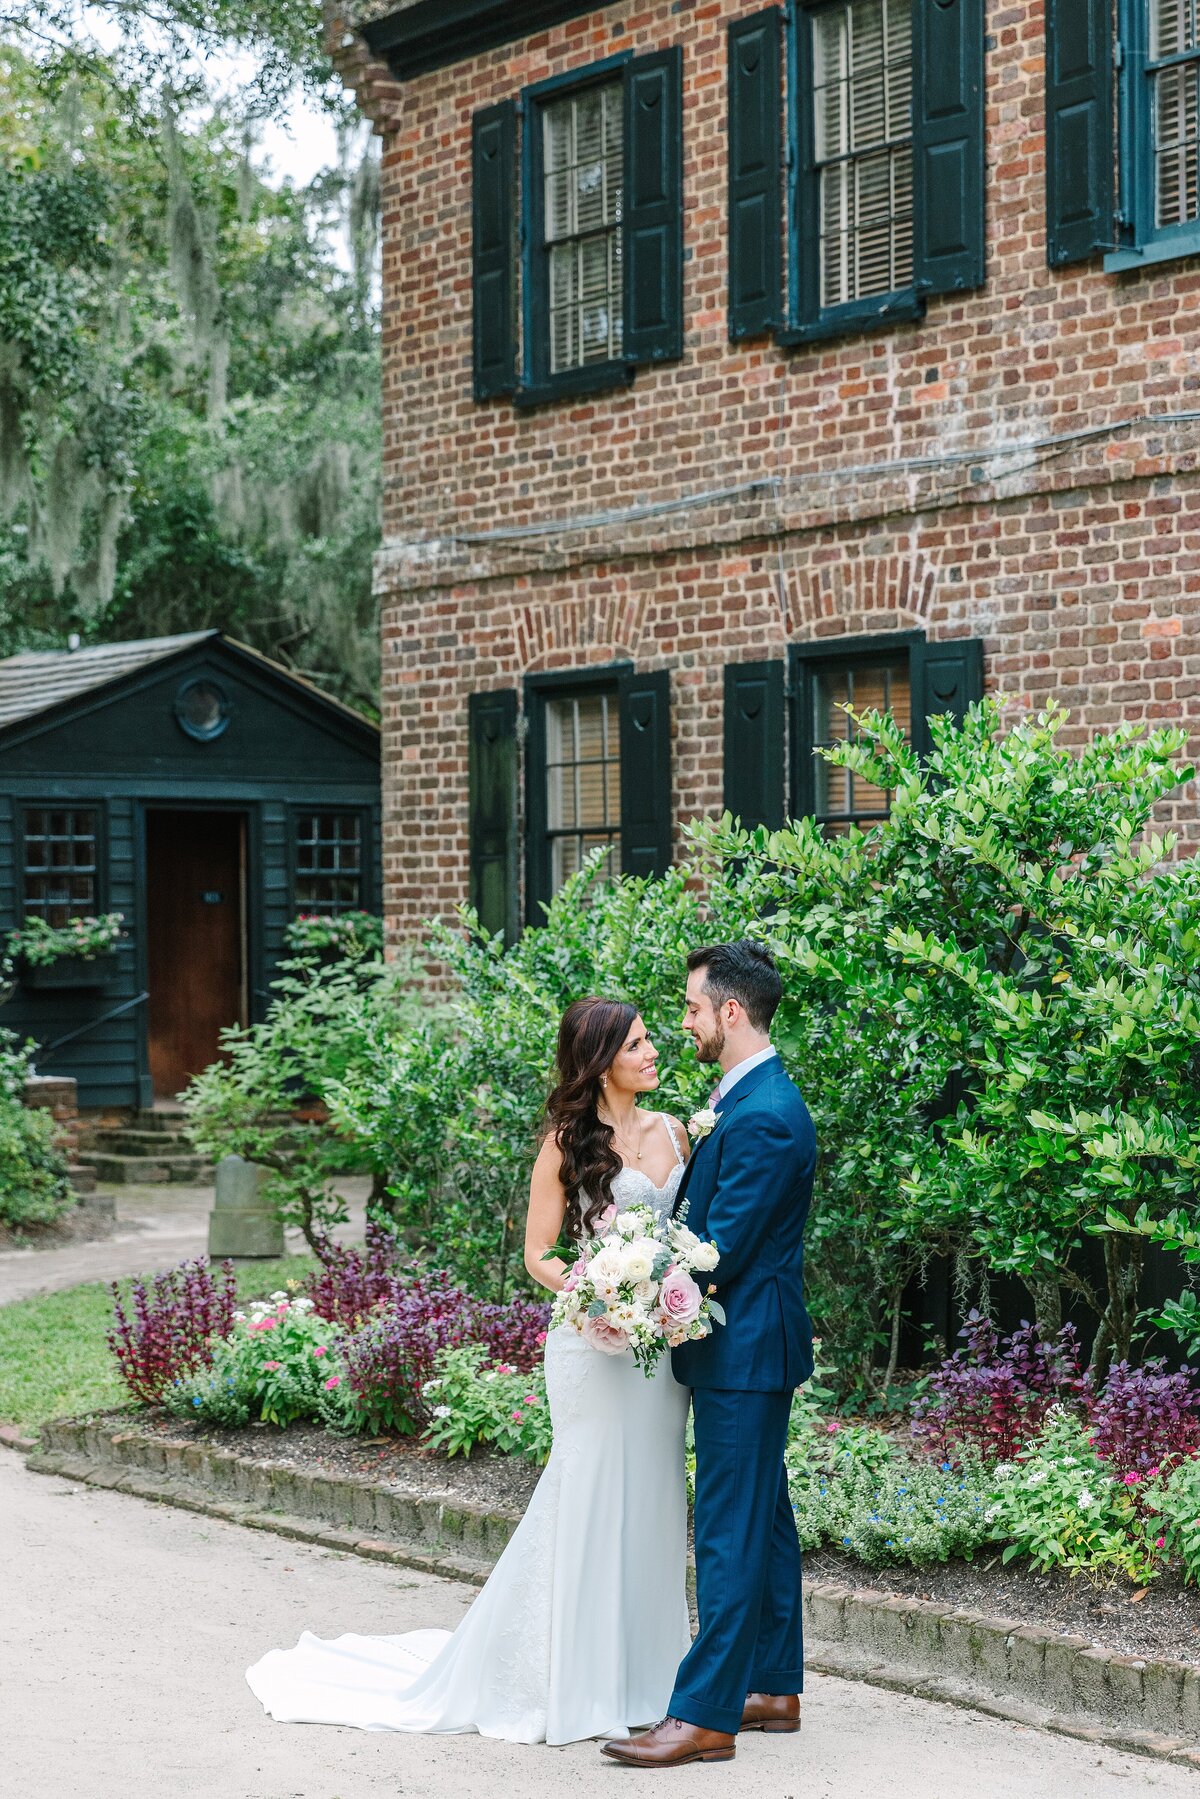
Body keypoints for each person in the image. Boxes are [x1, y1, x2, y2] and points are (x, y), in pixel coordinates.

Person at [245, 995, 693, 1745]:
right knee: (586, 1493)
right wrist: (599, 1294)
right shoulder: (564, 1141)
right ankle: (573, 1680)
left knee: (652, 1498)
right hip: (592, 1344)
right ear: (601, 1060)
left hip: (658, 1356)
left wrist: (661, 1298)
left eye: (651, 1039)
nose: (654, 1053)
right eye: (639, 1044)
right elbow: (538, 1252)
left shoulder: (677, 1133)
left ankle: (650, 1676)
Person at [602, 940, 816, 1770]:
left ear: (732, 1011)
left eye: (692, 1007)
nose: (683, 1022)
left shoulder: (764, 1114)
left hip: (745, 1349)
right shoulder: (745, 1098)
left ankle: (704, 1714)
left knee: (728, 1528)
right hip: (748, 1346)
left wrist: (629, 1277)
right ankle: (771, 1682)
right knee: (762, 1517)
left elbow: (718, 1250)